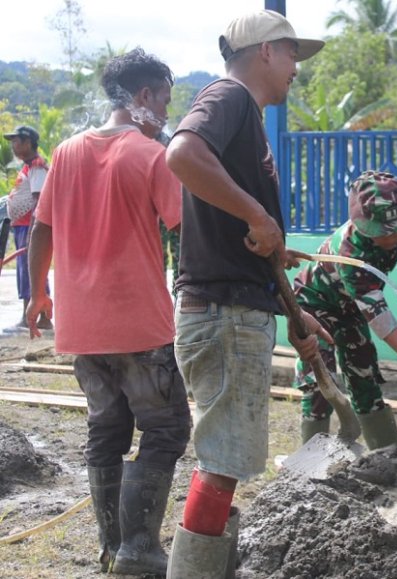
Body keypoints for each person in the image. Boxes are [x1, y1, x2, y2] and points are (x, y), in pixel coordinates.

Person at [164, 10, 328, 578]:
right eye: (291, 56)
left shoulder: (248, 122)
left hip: (238, 309)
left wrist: (296, 315)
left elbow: (252, 250)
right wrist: (260, 214)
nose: (295, 70)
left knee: (225, 461)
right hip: (225, 315)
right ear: (263, 52)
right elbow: (181, 154)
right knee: (222, 461)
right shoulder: (229, 96)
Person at [25, 48, 190, 576]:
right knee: (165, 430)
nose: (166, 112)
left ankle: (111, 546)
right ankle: (139, 547)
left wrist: (39, 293)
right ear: (142, 97)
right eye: (164, 99)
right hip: (139, 323)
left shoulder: (67, 151)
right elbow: (185, 227)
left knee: (107, 430)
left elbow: (43, 229)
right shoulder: (150, 155)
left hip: (82, 329)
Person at [292, 170, 397, 449]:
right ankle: (310, 460)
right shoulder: (351, 254)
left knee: (364, 376)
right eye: (384, 232)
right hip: (316, 306)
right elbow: (383, 323)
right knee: (320, 381)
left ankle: (387, 455)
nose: (393, 237)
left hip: (352, 309)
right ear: (364, 225)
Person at [2, 125, 52, 332]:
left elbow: (38, 201)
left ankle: (38, 318)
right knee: (25, 272)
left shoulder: (37, 167)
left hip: (29, 227)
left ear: (28, 142)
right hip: (22, 226)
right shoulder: (27, 167)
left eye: (17, 141)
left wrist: (33, 232)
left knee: (31, 272)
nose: (13, 146)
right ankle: (31, 316)